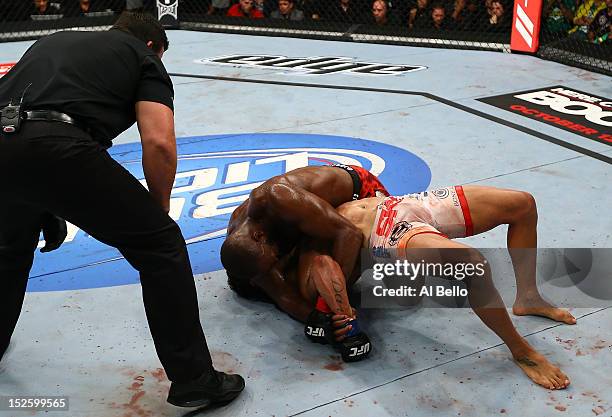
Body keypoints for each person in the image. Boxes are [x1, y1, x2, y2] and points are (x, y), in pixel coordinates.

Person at [0, 11, 244, 408]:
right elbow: (159, 141)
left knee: (8, 253)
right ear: (154, 46)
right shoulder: (143, 57)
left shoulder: (55, 39)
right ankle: (194, 378)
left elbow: (23, 123)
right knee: (161, 247)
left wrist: (43, 202)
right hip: (57, 146)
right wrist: (158, 210)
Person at [271, 185, 573, 389]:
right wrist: (340, 309)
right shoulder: (308, 252)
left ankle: (528, 297)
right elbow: (324, 274)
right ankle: (521, 350)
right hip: (387, 231)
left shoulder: (299, 206)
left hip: (407, 203)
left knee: (523, 204)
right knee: (472, 263)